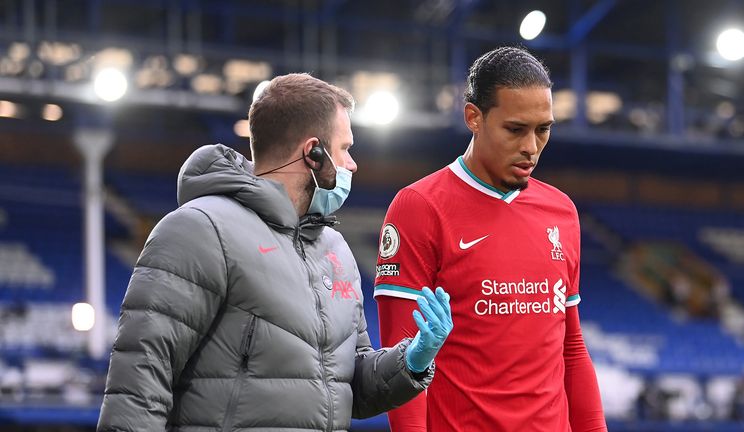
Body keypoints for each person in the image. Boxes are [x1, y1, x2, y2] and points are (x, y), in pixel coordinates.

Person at [97, 73, 453, 432]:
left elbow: (348, 386)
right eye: (345, 149)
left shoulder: (335, 250)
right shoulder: (199, 230)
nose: (353, 164)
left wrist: (411, 359)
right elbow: (139, 383)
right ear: (313, 152)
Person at [374, 47, 607, 431]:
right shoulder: (419, 207)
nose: (531, 146)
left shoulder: (562, 212)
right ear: (474, 118)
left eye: (543, 129)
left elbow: (572, 349)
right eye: (516, 129)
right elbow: (400, 363)